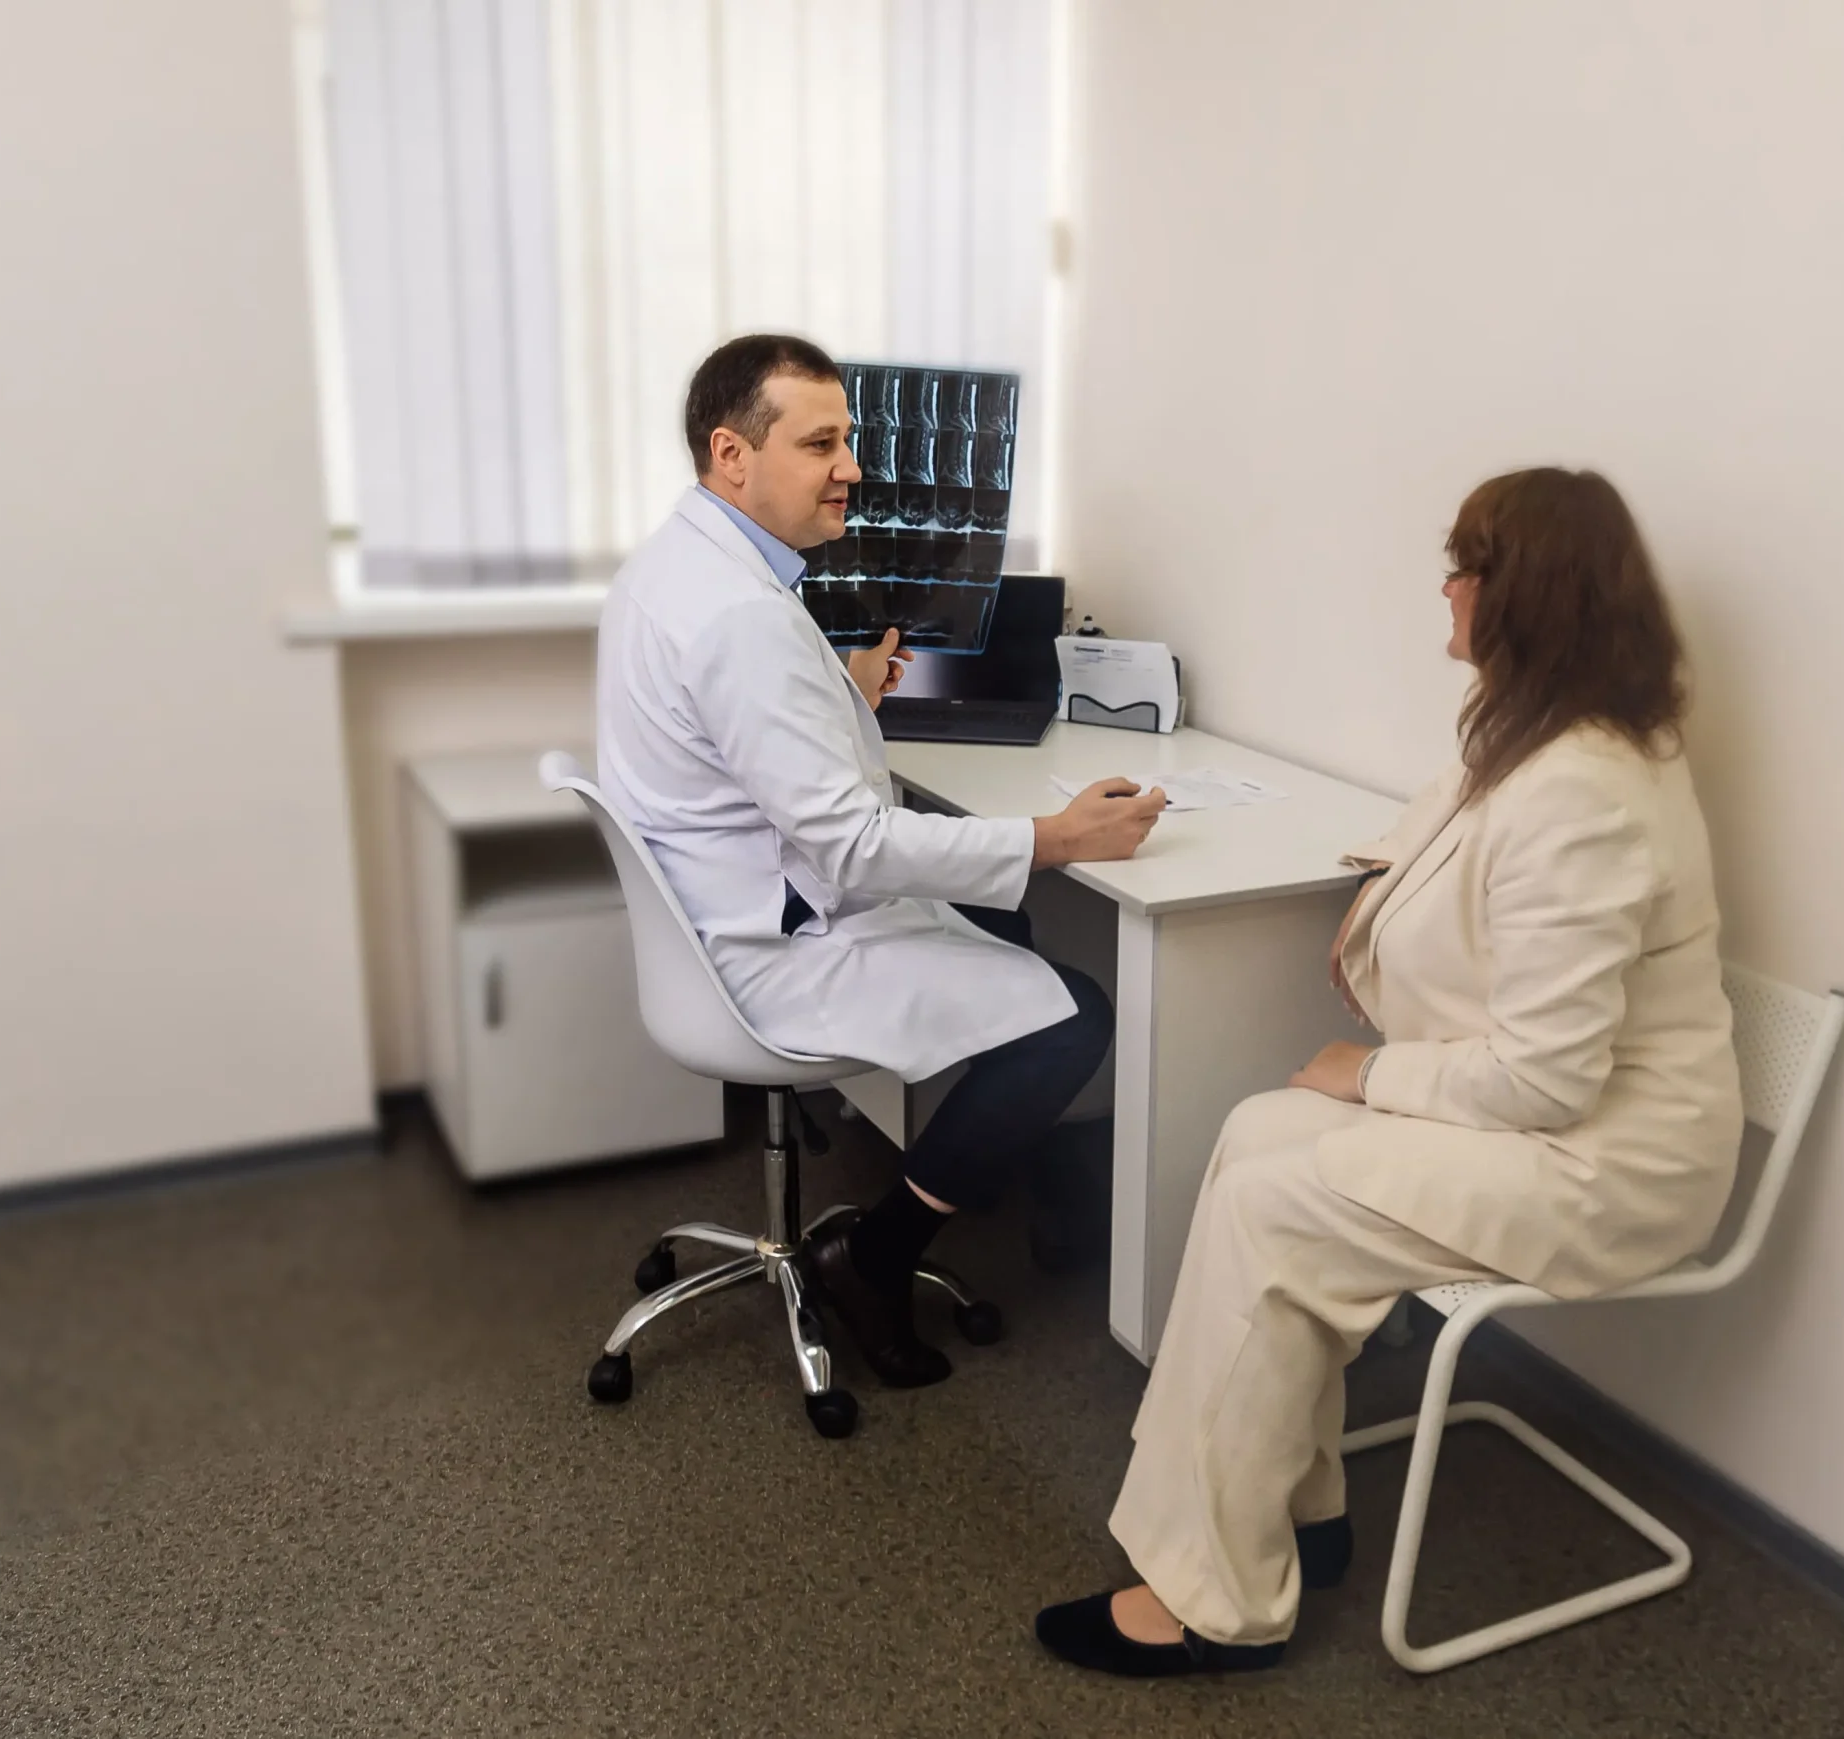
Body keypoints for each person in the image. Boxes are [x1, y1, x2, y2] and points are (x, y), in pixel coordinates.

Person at [1034, 468, 1746, 1676]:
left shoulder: (1587, 789)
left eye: (1465, 568)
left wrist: (1367, 1073)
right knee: (1258, 1128)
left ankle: (1214, 1599)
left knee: (1274, 1202)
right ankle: (1298, 1507)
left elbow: (1547, 1084)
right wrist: (1380, 888)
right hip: (1555, 1122)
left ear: (1525, 596)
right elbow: (1441, 823)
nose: (1445, 588)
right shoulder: (1539, 732)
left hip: (1608, 1165)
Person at [597, 333, 1167, 1389]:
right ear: (732, 454)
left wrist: (842, 691)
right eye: (821, 444)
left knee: (1004, 928)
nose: (852, 468)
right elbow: (855, 847)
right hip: (775, 947)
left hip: (728, 910)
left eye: (848, 440)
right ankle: (873, 1254)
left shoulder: (680, 566)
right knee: (1074, 1016)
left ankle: (975, 1169)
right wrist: (1055, 838)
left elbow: (744, 736)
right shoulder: (738, 615)